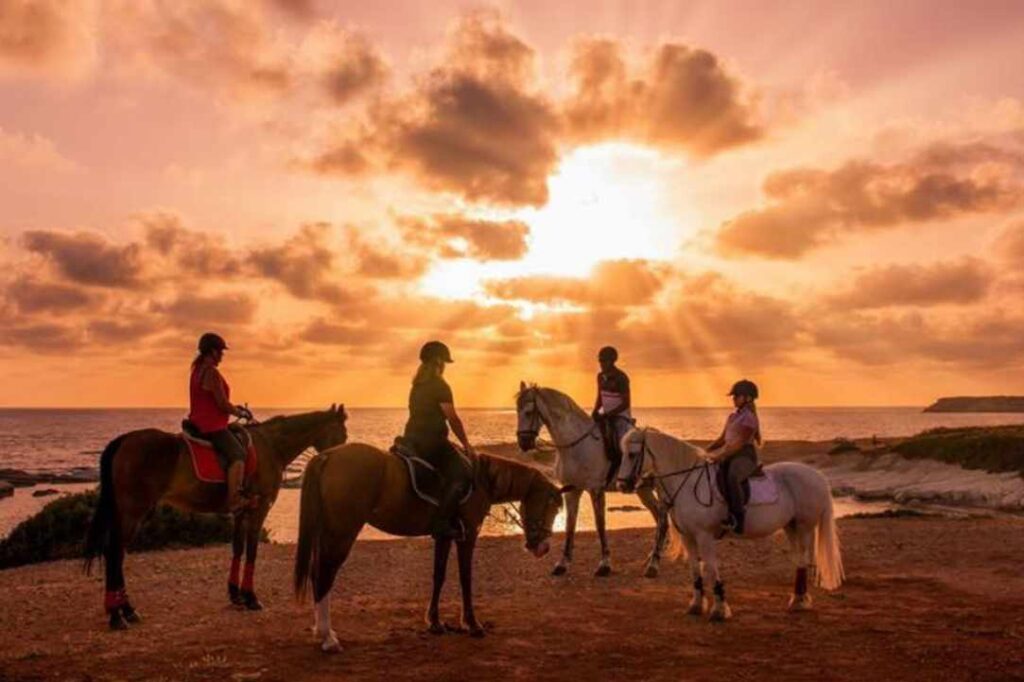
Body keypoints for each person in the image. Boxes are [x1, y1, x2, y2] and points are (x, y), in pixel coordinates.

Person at [402, 341, 476, 539]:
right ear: (438, 361)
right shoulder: (440, 386)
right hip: (432, 442)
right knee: (461, 475)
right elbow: (452, 418)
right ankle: (441, 522)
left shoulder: (416, 385)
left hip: (410, 437)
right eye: (444, 362)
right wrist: (466, 444)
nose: (444, 366)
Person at [188, 332, 253, 512]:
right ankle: (234, 499)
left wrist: (234, 407)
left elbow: (213, 400)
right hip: (211, 426)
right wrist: (240, 412)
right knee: (238, 454)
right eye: (221, 353)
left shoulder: (197, 370)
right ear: (213, 352)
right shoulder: (211, 372)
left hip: (198, 421)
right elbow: (222, 404)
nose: (222, 357)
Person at [706, 379, 763, 535]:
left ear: (748, 398)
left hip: (744, 456)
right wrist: (704, 451)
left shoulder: (749, 418)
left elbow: (739, 444)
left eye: (736, 396)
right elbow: (722, 439)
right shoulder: (732, 417)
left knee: (733, 476)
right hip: (731, 454)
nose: (733, 399)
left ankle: (738, 518)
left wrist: (720, 456)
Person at [591, 346, 633, 482]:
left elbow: (626, 403)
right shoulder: (600, 377)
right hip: (606, 414)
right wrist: (595, 411)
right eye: (600, 361)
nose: (601, 364)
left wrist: (611, 414)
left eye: (604, 361)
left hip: (621, 416)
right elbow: (600, 397)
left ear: (612, 361)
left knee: (620, 441)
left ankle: (620, 467)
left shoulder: (621, 378)